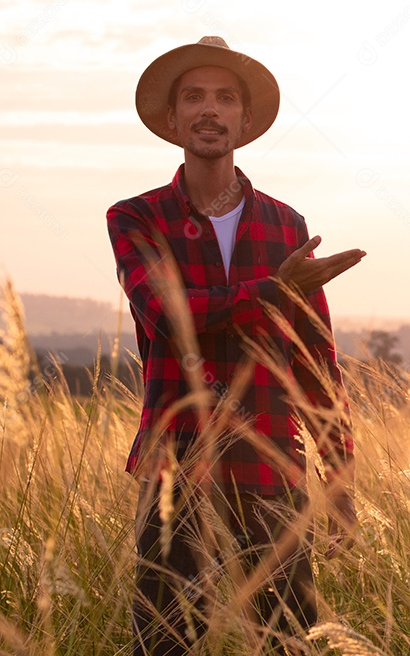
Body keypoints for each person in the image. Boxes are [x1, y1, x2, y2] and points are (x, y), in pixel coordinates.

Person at [107, 36, 365, 654]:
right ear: (171, 119)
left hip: (270, 463)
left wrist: (340, 471)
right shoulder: (136, 218)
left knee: (285, 643)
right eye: (193, 97)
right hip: (175, 466)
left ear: (245, 122)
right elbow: (168, 315)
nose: (209, 111)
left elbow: (314, 362)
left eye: (225, 99)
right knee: (167, 644)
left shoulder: (286, 225)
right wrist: (275, 289)